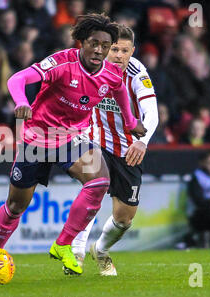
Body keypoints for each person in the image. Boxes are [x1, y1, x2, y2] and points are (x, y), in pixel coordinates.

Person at [0, 13, 147, 281]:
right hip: (36, 138)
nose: (99, 50)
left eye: (104, 45)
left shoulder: (111, 73)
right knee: (16, 206)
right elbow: (17, 80)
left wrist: (131, 122)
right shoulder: (62, 63)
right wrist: (21, 102)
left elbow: (120, 90)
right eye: (93, 43)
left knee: (99, 182)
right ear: (81, 43)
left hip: (70, 138)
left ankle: (63, 243)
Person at [70, 25, 159, 276]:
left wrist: (142, 142)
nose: (119, 55)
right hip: (94, 139)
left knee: (124, 218)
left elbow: (152, 114)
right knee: (94, 188)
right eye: (115, 49)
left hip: (128, 147)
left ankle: (100, 250)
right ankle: (75, 252)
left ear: (133, 51)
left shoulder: (137, 73)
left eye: (124, 50)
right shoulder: (90, 65)